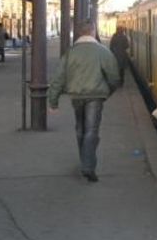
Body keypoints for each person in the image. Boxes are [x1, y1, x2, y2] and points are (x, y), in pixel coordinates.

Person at [48, 20, 121, 182]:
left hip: (76, 96)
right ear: (93, 31)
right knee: (91, 130)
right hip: (96, 96)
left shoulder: (70, 53)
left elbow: (58, 78)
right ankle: (88, 166)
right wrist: (108, 92)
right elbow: (114, 77)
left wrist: (53, 101)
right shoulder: (103, 52)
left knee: (81, 128)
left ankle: (84, 160)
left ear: (81, 33)